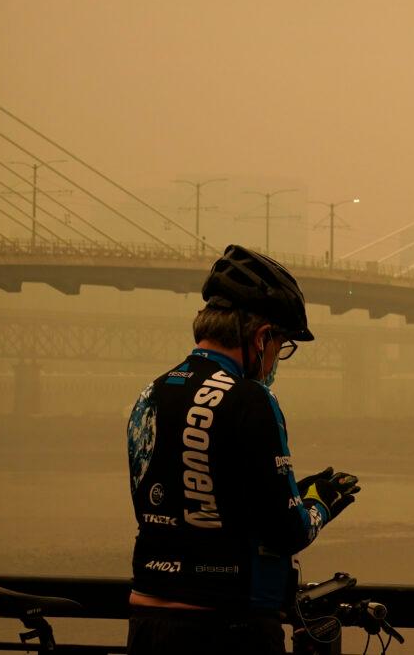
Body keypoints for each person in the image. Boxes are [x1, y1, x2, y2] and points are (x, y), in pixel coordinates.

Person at [126, 244, 360, 654]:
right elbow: (289, 532)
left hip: (148, 618)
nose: (274, 361)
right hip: (228, 624)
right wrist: (320, 503)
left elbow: (191, 504)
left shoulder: (152, 393)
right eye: (281, 345)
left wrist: (287, 495)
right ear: (262, 336)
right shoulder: (249, 398)